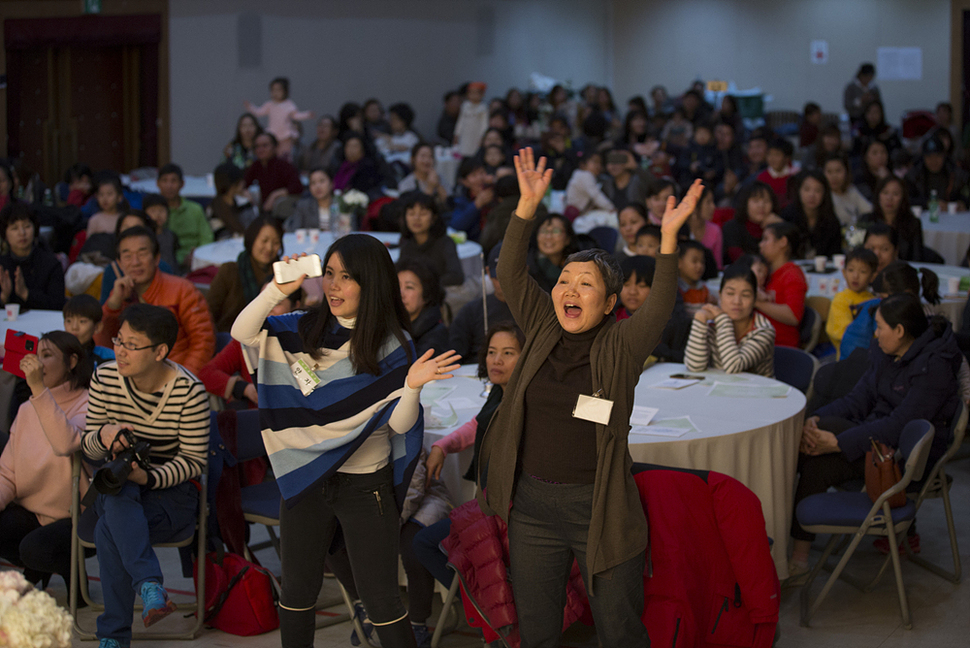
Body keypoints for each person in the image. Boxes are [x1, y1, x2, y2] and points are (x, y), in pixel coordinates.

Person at [477, 148, 703, 648]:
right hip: (532, 507)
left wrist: (668, 238)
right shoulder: (540, 327)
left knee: (619, 630)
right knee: (536, 632)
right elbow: (512, 275)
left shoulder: (620, 345)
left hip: (598, 509)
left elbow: (661, 305)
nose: (570, 290)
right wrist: (526, 207)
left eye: (586, 284)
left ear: (608, 304)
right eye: (563, 281)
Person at [231, 234, 461, 648]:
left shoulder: (393, 344)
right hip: (305, 479)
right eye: (330, 275)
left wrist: (410, 387)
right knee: (297, 594)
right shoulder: (303, 328)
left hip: (363, 485)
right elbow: (241, 331)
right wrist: (276, 291)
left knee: (382, 601)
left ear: (371, 283)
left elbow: (398, 426)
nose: (334, 286)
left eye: (347, 277)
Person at [789, 293, 960, 583]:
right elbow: (859, 398)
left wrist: (838, 443)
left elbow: (899, 426)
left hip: (905, 461)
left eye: (880, 327)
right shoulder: (886, 351)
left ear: (900, 331)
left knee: (818, 452)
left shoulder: (934, 367)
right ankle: (796, 552)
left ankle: (792, 549)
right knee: (814, 448)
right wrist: (814, 420)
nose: (875, 333)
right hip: (875, 442)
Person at [82, 304, 210, 647]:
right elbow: (89, 447)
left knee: (108, 529)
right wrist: (104, 436)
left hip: (170, 494)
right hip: (116, 486)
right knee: (116, 491)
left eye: (131, 345)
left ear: (160, 352)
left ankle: (112, 636)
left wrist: (148, 478)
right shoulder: (105, 377)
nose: (120, 351)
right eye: (118, 341)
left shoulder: (189, 391)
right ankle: (150, 585)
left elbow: (194, 461)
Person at [412, 322, 524, 586]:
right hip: (491, 501)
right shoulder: (501, 391)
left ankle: (481, 602)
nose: (496, 360)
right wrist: (443, 445)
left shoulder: (522, 401)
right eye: (492, 351)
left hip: (507, 511)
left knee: (425, 543)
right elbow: (479, 423)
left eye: (508, 353)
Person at [0, 331, 91, 588]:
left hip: (75, 517)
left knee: (36, 550)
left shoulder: (90, 403)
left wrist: (39, 388)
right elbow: (7, 473)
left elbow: (65, 443)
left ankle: (69, 572)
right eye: (36, 355)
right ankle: (39, 568)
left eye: (47, 356)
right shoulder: (28, 408)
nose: (38, 363)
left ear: (72, 362)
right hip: (31, 511)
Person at [96, 226, 215, 375]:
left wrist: (184, 381)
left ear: (157, 258)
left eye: (142, 253)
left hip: (177, 376)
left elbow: (203, 342)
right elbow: (103, 347)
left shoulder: (182, 290)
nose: (135, 262)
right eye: (127, 256)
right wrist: (112, 306)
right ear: (119, 263)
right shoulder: (119, 294)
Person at [198, 289, 302, 409]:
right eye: (265, 301)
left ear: (296, 306)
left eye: (277, 303)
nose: (268, 309)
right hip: (259, 419)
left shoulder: (307, 339)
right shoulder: (246, 341)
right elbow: (206, 373)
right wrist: (244, 388)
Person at [685, 262, 775, 376]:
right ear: (720, 295)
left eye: (746, 295)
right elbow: (695, 367)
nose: (737, 301)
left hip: (756, 391)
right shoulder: (710, 323)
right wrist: (700, 319)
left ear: (754, 299)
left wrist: (723, 320)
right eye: (730, 293)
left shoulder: (764, 330)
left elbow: (733, 366)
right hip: (717, 389)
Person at [839, 260, 940, 360]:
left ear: (906, 294)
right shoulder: (880, 313)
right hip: (859, 363)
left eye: (885, 298)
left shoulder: (922, 314)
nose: (882, 302)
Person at [207, 216, 282, 333]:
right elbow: (209, 311)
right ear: (252, 239)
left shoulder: (282, 273)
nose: (269, 248)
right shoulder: (230, 271)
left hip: (272, 338)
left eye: (276, 242)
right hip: (230, 337)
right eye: (264, 241)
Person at [615, 255, 690, 363]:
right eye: (626, 285)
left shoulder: (672, 322)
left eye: (641, 286)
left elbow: (684, 359)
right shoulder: (609, 317)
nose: (632, 292)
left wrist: (657, 350)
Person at [447, 246, 513, 363]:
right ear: (487, 272)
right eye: (497, 277)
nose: (503, 283)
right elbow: (454, 355)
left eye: (509, 276)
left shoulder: (535, 310)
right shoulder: (471, 311)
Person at [99, 210, 178, 305]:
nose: (135, 262)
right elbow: (103, 314)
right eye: (126, 229)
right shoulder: (111, 270)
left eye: (137, 228)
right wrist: (114, 303)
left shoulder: (164, 268)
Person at [0, 203, 66, 310]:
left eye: (27, 226)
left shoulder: (50, 264)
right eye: (14, 228)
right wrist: (3, 297)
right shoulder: (2, 266)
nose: (22, 233)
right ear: (5, 234)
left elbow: (58, 305)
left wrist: (26, 294)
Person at [757, 221, 807, 348]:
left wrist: (756, 302)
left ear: (782, 242)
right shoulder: (766, 273)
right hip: (760, 340)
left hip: (781, 346)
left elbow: (793, 316)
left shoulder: (792, 274)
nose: (760, 245)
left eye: (766, 239)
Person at [398, 192, 464, 287]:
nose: (416, 218)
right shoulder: (406, 243)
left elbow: (457, 276)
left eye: (423, 214)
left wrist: (424, 285)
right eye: (411, 214)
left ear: (434, 217)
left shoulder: (445, 242)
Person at [156, 164, 213, 269]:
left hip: (195, 261)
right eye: (164, 181)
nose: (169, 186)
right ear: (158, 183)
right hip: (164, 263)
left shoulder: (195, 209)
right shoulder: (153, 212)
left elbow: (207, 238)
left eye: (173, 181)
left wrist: (196, 255)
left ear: (182, 184)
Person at [244, 77, 314, 161]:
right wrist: (250, 107)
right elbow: (259, 112)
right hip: (273, 134)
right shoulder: (269, 104)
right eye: (273, 90)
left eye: (278, 90)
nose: (275, 93)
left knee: (285, 156)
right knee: (272, 155)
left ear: (285, 91)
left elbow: (296, 115)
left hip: (285, 135)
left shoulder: (289, 104)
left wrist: (307, 114)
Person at [825, 247, 878, 357]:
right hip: (847, 359)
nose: (855, 276)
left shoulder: (874, 301)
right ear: (844, 272)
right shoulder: (841, 299)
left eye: (863, 271)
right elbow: (844, 334)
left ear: (873, 276)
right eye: (851, 270)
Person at [781, 169, 843, 258]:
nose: (812, 195)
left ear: (824, 193)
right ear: (799, 190)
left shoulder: (831, 220)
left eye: (817, 190)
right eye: (807, 189)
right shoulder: (787, 216)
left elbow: (835, 254)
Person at [862, 176, 924, 262]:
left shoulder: (912, 223)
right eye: (885, 192)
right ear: (878, 195)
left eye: (895, 194)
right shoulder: (866, 220)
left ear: (903, 198)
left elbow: (917, 258)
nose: (889, 198)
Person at [397, 258, 448, 358]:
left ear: (426, 295)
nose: (400, 294)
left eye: (409, 287)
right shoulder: (392, 324)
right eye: (397, 287)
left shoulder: (435, 336)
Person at [243, 133, 305, 214]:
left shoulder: (284, 165)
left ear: (274, 146)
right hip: (263, 211)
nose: (260, 149)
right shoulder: (256, 165)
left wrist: (275, 195)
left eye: (265, 145)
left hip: (283, 212)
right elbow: (244, 183)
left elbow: (297, 187)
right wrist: (246, 192)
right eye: (257, 146)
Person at [905, 134, 970, 208]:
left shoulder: (956, 173)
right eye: (929, 157)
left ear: (944, 156)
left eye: (938, 156)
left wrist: (963, 203)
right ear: (923, 157)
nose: (934, 161)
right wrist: (927, 203)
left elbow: (966, 194)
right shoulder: (914, 175)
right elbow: (907, 199)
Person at [722, 181, 777, 264]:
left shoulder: (776, 225)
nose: (761, 206)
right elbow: (738, 258)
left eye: (766, 201)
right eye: (756, 201)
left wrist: (780, 225)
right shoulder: (732, 227)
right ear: (745, 203)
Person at [527, 212, 577, 293]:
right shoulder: (527, 267)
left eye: (556, 231)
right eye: (543, 231)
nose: (548, 237)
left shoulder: (579, 265)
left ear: (568, 238)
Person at [447, 157, 494, 241]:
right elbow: (455, 226)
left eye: (482, 172)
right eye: (474, 175)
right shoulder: (461, 200)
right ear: (465, 182)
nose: (480, 178)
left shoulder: (494, 190)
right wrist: (476, 205)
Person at [64, 294, 115, 367]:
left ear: (97, 327)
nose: (74, 327)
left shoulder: (108, 357)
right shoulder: (57, 356)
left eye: (82, 321)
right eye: (69, 321)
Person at [823, 153, 872, 225]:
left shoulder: (851, 190)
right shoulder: (823, 195)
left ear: (846, 171)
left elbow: (869, 210)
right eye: (829, 172)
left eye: (838, 171)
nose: (834, 176)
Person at [565, 150, 615, 217]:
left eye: (600, 163)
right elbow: (596, 195)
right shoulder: (586, 175)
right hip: (574, 214)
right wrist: (611, 208)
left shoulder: (580, 174)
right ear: (583, 165)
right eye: (595, 162)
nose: (598, 165)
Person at [398, 143, 448, 208]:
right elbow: (417, 210)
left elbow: (448, 203)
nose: (427, 160)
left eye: (430, 156)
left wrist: (438, 184)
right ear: (413, 159)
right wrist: (430, 187)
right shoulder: (406, 184)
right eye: (423, 156)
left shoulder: (440, 178)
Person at [284, 167, 334, 232]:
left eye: (322, 181)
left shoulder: (342, 204)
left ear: (331, 184)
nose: (318, 186)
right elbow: (294, 231)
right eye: (313, 183)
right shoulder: (303, 206)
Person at [685, 184, 723, 270]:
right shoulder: (680, 229)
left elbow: (718, 267)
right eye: (708, 202)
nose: (713, 207)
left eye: (713, 202)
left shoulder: (715, 231)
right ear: (694, 205)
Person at [208, 163, 251, 237]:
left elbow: (253, 228)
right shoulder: (214, 208)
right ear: (233, 184)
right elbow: (221, 235)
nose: (243, 183)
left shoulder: (244, 203)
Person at [141, 195, 180, 272]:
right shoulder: (144, 238)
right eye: (153, 211)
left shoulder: (171, 235)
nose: (158, 215)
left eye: (162, 210)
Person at [756, 138, 794, 209]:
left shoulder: (794, 175)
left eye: (777, 155)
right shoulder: (762, 178)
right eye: (770, 154)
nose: (772, 158)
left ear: (787, 158)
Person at [454, 82, 489, 157]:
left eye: (476, 93)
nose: (474, 95)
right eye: (471, 93)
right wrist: (457, 133)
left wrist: (483, 137)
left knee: (475, 152)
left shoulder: (483, 108)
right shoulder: (465, 106)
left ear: (482, 94)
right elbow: (460, 121)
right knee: (463, 150)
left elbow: (484, 124)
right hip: (465, 133)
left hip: (476, 135)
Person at [677, 240, 712, 316]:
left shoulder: (704, 289)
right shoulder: (676, 289)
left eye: (702, 262)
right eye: (694, 261)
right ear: (679, 263)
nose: (699, 266)